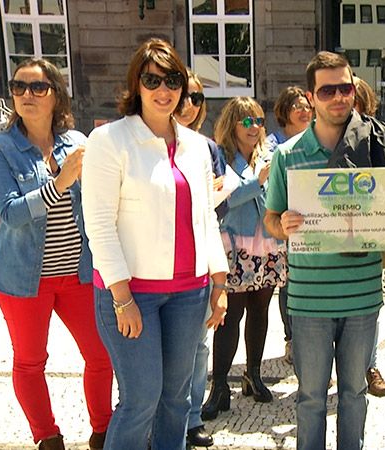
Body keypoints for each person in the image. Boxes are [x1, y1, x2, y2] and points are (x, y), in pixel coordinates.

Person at [82, 38, 229, 450]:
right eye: (152, 80)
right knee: (140, 401)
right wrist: (122, 296)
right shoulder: (110, 141)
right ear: (137, 84)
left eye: (173, 81)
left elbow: (205, 219)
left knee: (176, 399)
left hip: (189, 292)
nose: (164, 90)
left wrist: (219, 285)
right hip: (133, 294)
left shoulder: (197, 146)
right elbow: (99, 225)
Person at [264, 51, 385, 449]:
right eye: (328, 90)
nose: (339, 97)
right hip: (309, 301)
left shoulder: (374, 145)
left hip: (362, 296)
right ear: (311, 96)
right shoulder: (288, 155)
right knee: (310, 398)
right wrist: (283, 225)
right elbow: (271, 220)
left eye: (345, 87)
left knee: (354, 395)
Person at [0, 58, 113, 450]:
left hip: (78, 274)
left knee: (100, 355)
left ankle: (103, 431)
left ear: (55, 95)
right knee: (30, 362)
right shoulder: (0, 148)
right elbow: (10, 212)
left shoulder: (76, 143)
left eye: (38, 87)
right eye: (19, 87)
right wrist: (60, 182)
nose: (27, 95)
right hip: (23, 279)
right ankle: (47, 437)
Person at [201, 97, 287, 419]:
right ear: (232, 123)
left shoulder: (270, 154)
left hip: (266, 245)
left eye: (259, 121)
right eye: (247, 121)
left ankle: (253, 375)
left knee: (260, 312)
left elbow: (278, 196)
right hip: (234, 247)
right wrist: (257, 180)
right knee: (229, 317)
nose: (254, 128)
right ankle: (220, 385)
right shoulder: (220, 157)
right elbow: (222, 201)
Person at [174, 68, 227, 448]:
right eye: (184, 96)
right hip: (155, 265)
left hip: (199, 261)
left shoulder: (208, 148)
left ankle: (191, 419)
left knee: (198, 347)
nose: (189, 105)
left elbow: (215, 210)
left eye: (196, 98)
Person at [265, 85, 313, 365]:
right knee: (287, 285)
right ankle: (291, 339)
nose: (304, 110)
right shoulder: (274, 145)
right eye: (297, 106)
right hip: (283, 223)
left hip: (310, 225)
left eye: (306, 105)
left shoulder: (316, 139)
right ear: (285, 111)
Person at [353, 76, 385, 398]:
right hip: (328, 233)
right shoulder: (317, 135)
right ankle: (330, 368)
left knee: (369, 304)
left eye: (352, 97)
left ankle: (370, 366)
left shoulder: (379, 132)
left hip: (368, 230)